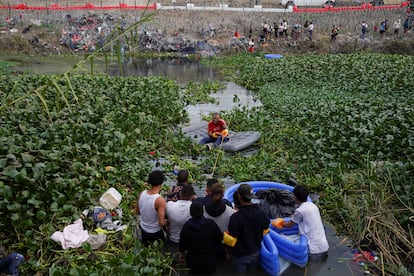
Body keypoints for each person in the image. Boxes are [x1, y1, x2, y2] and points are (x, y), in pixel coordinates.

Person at [273, 184, 329, 261]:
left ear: (295, 197)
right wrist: (293, 216)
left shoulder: (300, 211)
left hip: (313, 251)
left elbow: (289, 225)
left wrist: (278, 222)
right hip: (324, 247)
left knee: (281, 238)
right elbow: (303, 216)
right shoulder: (313, 206)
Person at [226, 184, 270, 272]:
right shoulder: (262, 213)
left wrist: (227, 252)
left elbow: (231, 239)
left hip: (240, 255)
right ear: (251, 197)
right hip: (255, 252)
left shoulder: (236, 217)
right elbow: (266, 229)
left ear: (239, 196)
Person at [179, 201, 223, 274]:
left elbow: (182, 246)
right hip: (210, 261)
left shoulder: (186, 227)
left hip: (193, 263)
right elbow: (220, 239)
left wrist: (183, 255)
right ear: (202, 211)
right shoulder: (211, 224)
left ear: (191, 212)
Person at [204, 183, 235, 260]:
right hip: (223, 244)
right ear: (222, 195)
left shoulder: (203, 209)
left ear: (210, 193)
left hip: (208, 244)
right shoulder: (230, 211)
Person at [136, 170, 167, 246]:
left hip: (143, 230)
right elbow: (161, 223)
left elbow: (137, 212)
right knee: (158, 253)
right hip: (155, 233)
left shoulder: (142, 193)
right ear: (161, 183)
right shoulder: (160, 200)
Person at [165, 184, 196, 250]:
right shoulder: (195, 209)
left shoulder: (169, 205)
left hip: (173, 239)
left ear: (180, 193)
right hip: (188, 242)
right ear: (192, 196)